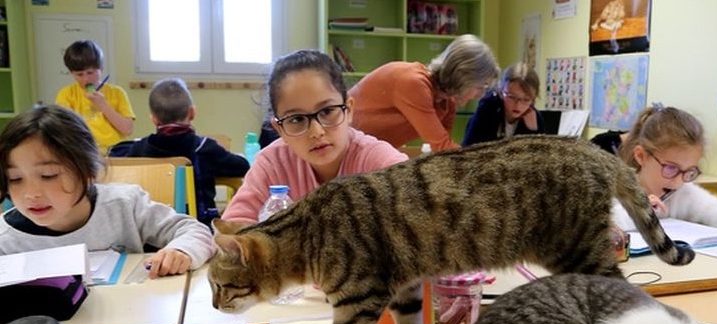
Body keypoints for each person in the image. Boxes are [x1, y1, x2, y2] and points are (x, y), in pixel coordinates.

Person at [0, 105, 214, 279]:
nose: (31, 194)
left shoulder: (125, 205)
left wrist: (181, 252)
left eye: (48, 175)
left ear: (88, 170)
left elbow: (196, 231)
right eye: (15, 179)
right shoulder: (5, 239)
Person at [221, 49, 408, 223]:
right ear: (279, 129)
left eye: (327, 111)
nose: (316, 132)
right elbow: (234, 231)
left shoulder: (377, 161)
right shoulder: (272, 164)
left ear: (349, 110)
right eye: (296, 119)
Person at [108, 77, 250, 227]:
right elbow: (242, 166)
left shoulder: (139, 149)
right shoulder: (205, 148)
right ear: (192, 113)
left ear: (154, 119)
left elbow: (114, 156)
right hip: (198, 230)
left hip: (151, 230)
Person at [347, 34, 499, 152]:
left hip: (361, 150)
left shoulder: (446, 104)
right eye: (480, 86)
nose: (480, 94)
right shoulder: (414, 83)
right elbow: (442, 146)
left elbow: (443, 151)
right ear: (464, 76)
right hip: (340, 143)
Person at [597, 106, 717, 230]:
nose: (678, 182)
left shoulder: (684, 193)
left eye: (690, 171)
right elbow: (598, 224)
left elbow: (714, 211)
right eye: (671, 168)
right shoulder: (614, 189)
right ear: (641, 156)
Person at [55, 39, 135, 154]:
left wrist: (103, 105)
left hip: (114, 151)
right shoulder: (66, 94)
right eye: (79, 74)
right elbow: (63, 131)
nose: (86, 79)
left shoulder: (117, 93)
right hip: (83, 152)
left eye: (90, 72)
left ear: (101, 69)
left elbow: (127, 130)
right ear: (71, 73)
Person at [462, 62, 545, 146]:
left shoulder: (535, 117)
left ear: (533, 99)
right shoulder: (488, 107)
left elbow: (542, 156)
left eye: (526, 99)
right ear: (501, 91)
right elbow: (470, 148)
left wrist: (533, 131)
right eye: (511, 97)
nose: (518, 105)